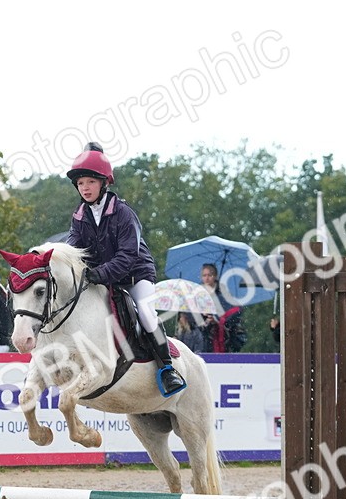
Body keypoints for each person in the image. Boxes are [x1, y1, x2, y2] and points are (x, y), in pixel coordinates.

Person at [66, 142, 186, 397]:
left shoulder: (122, 213)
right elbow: (73, 249)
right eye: (80, 184)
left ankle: (167, 368)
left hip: (135, 274)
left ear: (103, 182)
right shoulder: (79, 216)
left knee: (145, 311)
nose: (85, 188)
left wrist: (98, 274)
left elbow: (127, 256)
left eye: (90, 182)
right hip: (104, 277)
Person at [200, 262, 247, 353]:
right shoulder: (198, 295)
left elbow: (235, 312)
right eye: (204, 275)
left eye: (210, 275)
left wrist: (217, 319)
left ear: (215, 276)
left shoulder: (223, 295)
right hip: (203, 341)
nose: (207, 278)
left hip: (222, 341)